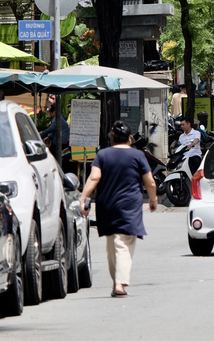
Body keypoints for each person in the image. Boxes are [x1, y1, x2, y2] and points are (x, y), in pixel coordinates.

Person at [79, 121, 157, 297]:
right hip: (129, 206)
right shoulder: (137, 156)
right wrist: (153, 199)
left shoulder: (103, 155)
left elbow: (94, 178)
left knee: (112, 245)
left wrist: (83, 197)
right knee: (123, 243)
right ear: (130, 139)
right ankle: (120, 284)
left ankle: (116, 281)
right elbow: (150, 182)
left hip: (106, 206)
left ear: (112, 137)